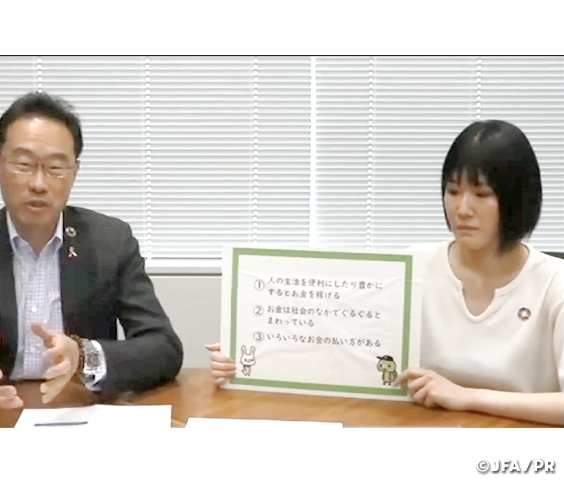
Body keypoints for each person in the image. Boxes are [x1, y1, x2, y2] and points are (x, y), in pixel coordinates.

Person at [206, 120, 564, 427]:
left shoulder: (554, 283)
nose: (462, 208)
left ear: (518, 200)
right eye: (453, 191)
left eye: (482, 194)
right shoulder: (413, 266)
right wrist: (255, 352)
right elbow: (338, 343)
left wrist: (466, 396)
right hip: (421, 434)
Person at [0, 92, 184, 419]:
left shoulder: (110, 241)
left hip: (80, 413)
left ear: (74, 171)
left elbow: (164, 347)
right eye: (23, 164)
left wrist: (83, 356)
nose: (38, 183)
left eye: (55, 167)